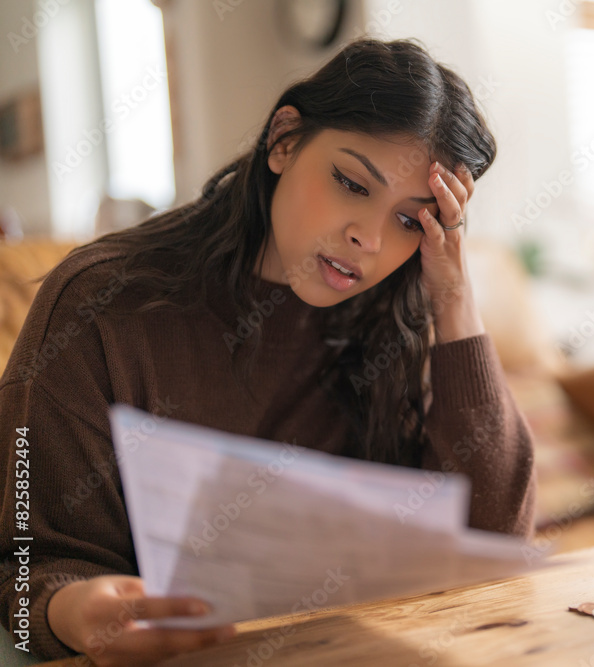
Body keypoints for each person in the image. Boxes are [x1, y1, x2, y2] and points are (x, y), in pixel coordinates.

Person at [0, 37, 536, 665]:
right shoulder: (100, 304)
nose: (367, 236)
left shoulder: (401, 316)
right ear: (285, 140)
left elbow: (497, 544)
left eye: (412, 220)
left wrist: (454, 299)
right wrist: (74, 612)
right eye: (351, 183)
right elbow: (23, 561)